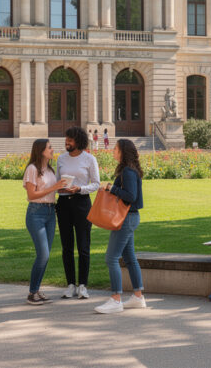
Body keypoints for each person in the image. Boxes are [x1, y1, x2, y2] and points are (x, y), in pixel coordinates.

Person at [95, 138, 146, 314]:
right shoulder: (129, 170)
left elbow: (130, 196)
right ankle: (138, 297)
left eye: (115, 149)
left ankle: (116, 299)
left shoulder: (128, 172)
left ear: (123, 152)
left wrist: (111, 188)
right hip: (130, 217)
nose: (113, 151)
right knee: (130, 257)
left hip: (125, 219)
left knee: (111, 258)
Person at [55, 126, 100, 300]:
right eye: (66, 139)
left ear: (79, 141)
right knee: (66, 247)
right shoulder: (61, 159)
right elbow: (57, 183)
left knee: (83, 246)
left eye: (70, 140)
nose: (67, 142)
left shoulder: (89, 159)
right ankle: (70, 284)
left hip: (82, 203)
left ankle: (83, 285)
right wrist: (62, 188)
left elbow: (96, 184)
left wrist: (80, 188)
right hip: (64, 203)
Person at [23, 139, 67, 305]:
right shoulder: (32, 169)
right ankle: (32, 293)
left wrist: (62, 188)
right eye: (49, 147)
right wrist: (54, 187)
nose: (52, 149)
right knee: (43, 254)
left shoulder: (49, 169)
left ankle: (36, 290)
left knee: (45, 255)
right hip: (36, 213)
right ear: (41, 151)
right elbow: (31, 195)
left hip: (50, 212)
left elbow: (50, 191)